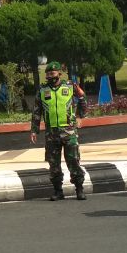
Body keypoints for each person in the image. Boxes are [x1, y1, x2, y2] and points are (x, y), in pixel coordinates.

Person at [30, 61, 87, 201]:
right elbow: (37, 111)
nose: (50, 76)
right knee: (53, 164)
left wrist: (80, 116)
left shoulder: (70, 86)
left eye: (52, 73)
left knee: (73, 161)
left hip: (69, 132)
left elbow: (82, 98)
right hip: (51, 133)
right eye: (48, 74)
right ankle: (58, 191)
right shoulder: (42, 90)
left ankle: (79, 189)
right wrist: (34, 130)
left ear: (59, 74)